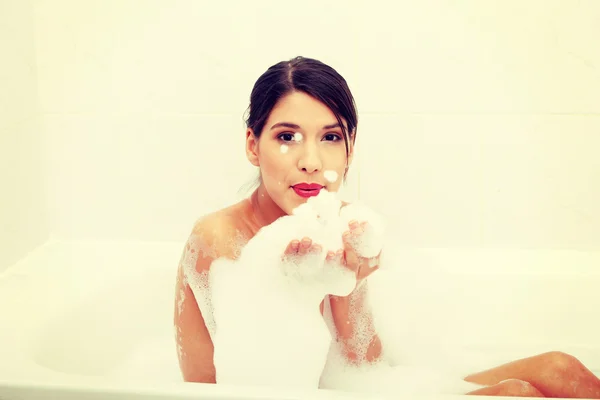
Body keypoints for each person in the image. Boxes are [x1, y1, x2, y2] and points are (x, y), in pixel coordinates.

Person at [173, 56, 600, 398]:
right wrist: (295, 286)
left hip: (352, 390)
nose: (311, 160)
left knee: (560, 368)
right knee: (515, 394)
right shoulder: (220, 239)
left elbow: (364, 370)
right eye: (287, 137)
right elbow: (251, 384)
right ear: (253, 144)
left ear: (350, 149)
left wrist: (348, 281)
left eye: (330, 137)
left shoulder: (342, 221)